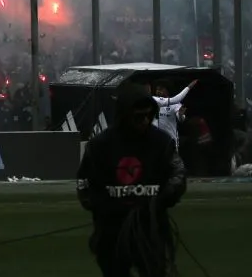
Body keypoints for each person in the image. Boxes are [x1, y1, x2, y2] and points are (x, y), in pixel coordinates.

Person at [77, 83, 186, 277]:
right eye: (138, 117)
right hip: (111, 231)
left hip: (151, 229)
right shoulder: (100, 145)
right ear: (124, 115)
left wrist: (161, 199)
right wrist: (102, 205)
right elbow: (84, 182)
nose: (145, 121)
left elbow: (178, 175)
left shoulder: (162, 142)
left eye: (148, 115)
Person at [152, 79, 197, 150]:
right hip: (156, 142)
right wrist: (189, 87)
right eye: (157, 89)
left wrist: (180, 114)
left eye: (161, 89)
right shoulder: (154, 101)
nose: (158, 91)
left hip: (171, 142)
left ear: (167, 90)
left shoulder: (176, 104)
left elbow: (181, 119)